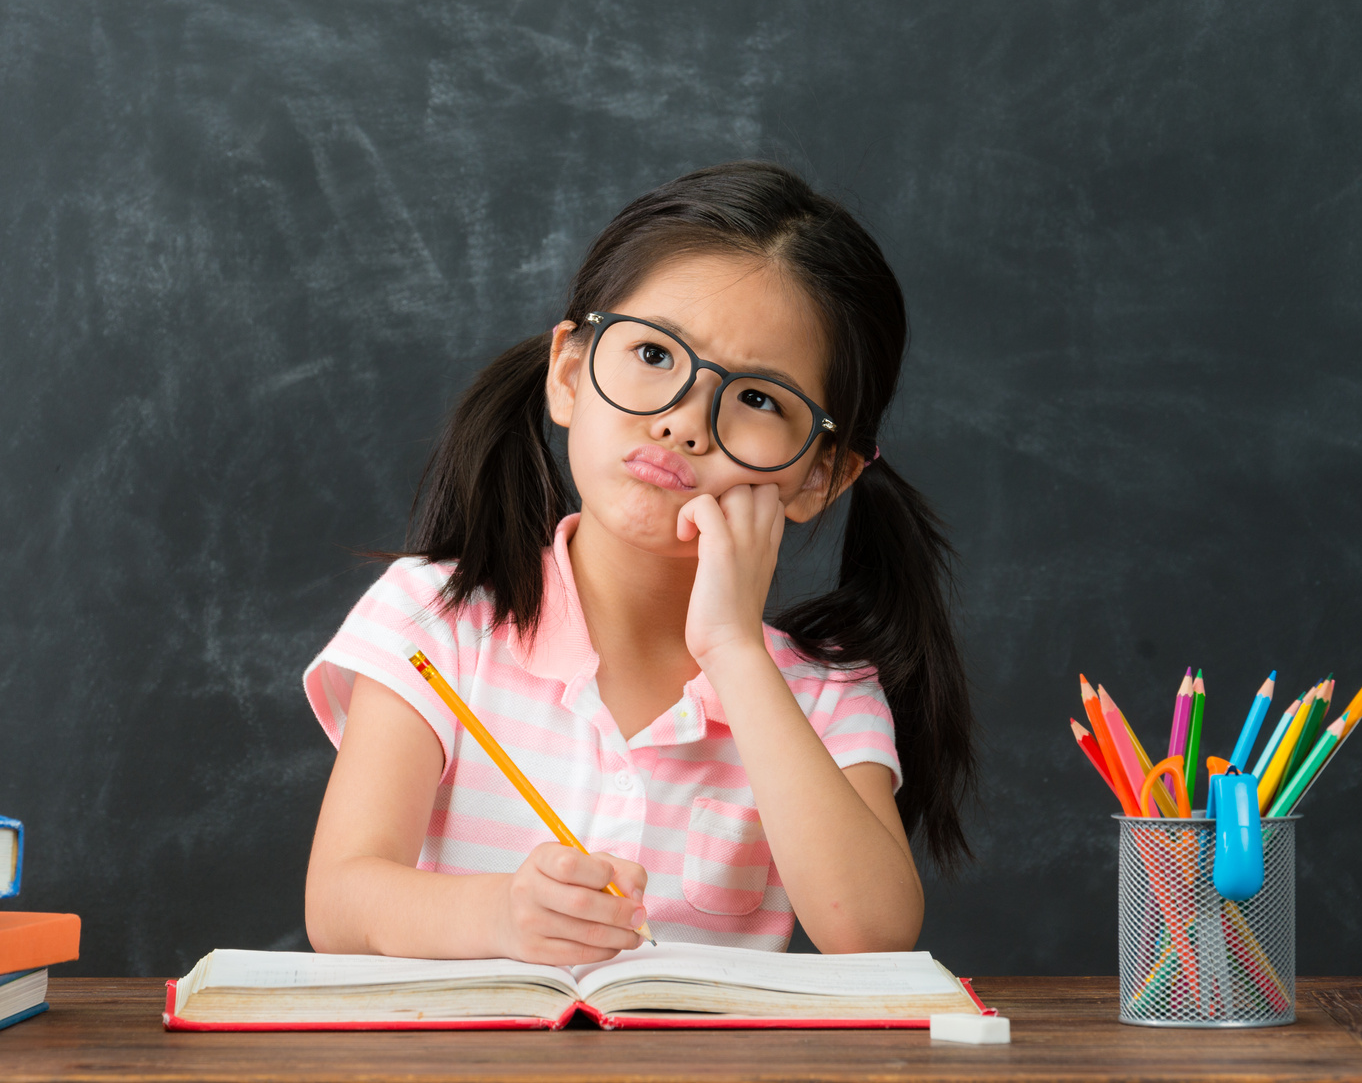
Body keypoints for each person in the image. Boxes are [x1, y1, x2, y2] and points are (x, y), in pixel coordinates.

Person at [303, 161, 974, 963]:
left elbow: (871, 935)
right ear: (568, 372)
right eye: (653, 354)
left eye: (758, 399)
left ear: (819, 474)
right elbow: (338, 901)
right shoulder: (435, 616)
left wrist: (733, 651)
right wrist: (500, 918)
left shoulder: (823, 695)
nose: (684, 423)